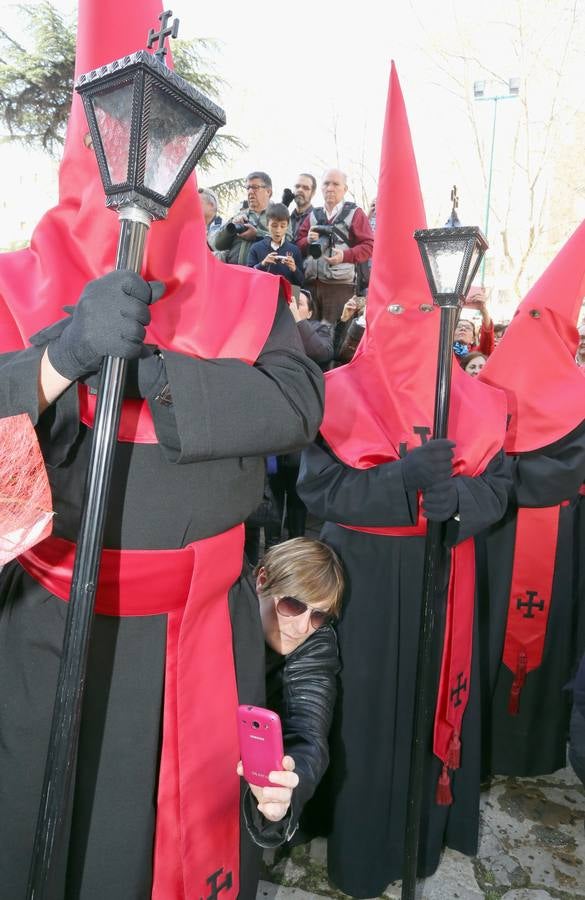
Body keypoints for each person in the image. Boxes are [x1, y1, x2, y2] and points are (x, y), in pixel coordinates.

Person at [0, 6, 325, 900]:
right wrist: (61, 359)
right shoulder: (13, 285)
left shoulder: (251, 298)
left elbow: (298, 403)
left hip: (206, 636)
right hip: (52, 634)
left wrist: (158, 377)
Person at [296, 64, 510, 898]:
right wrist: (397, 488)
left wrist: (464, 499)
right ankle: (356, 848)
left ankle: (424, 837)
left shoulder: (477, 399)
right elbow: (318, 492)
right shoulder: (336, 393)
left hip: (442, 581)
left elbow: (503, 489)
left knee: (427, 712)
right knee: (361, 720)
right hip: (359, 588)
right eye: (389, 315)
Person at [477, 220, 585, 781]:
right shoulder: (578, 397)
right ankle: (528, 747)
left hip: (500, 532)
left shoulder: (491, 381)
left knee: (494, 632)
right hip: (549, 535)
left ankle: (492, 747)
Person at [230, 537, 343, 864]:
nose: (303, 626)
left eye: (319, 615)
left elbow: (309, 732)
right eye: (293, 605)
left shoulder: (317, 646)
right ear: (261, 580)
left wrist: (286, 789)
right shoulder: (228, 604)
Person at [296, 168, 374, 323]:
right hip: (311, 288)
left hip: (341, 289)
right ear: (321, 188)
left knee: (335, 338)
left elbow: (369, 246)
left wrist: (344, 256)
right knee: (308, 337)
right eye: (326, 183)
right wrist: (308, 241)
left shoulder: (355, 213)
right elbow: (297, 245)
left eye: (335, 184)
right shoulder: (313, 215)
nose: (330, 188)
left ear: (345, 189)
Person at [214, 171, 275, 266]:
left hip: (262, 275)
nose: (250, 192)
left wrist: (257, 235)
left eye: (255, 187)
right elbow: (218, 244)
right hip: (234, 273)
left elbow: (286, 244)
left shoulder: (279, 215)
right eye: (248, 188)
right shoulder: (239, 216)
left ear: (268, 192)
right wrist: (231, 228)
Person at [248, 203, 304, 286]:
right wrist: (262, 264)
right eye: (274, 225)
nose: (278, 230)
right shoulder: (256, 248)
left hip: (284, 296)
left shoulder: (294, 250)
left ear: (287, 226)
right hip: (261, 294)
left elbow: (301, 282)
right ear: (267, 225)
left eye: (283, 226)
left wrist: (294, 269)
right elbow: (249, 277)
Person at [289, 173, 317, 240]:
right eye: (297, 186)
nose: (300, 190)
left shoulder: (317, 219)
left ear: (313, 193)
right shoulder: (286, 218)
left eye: (305, 188)